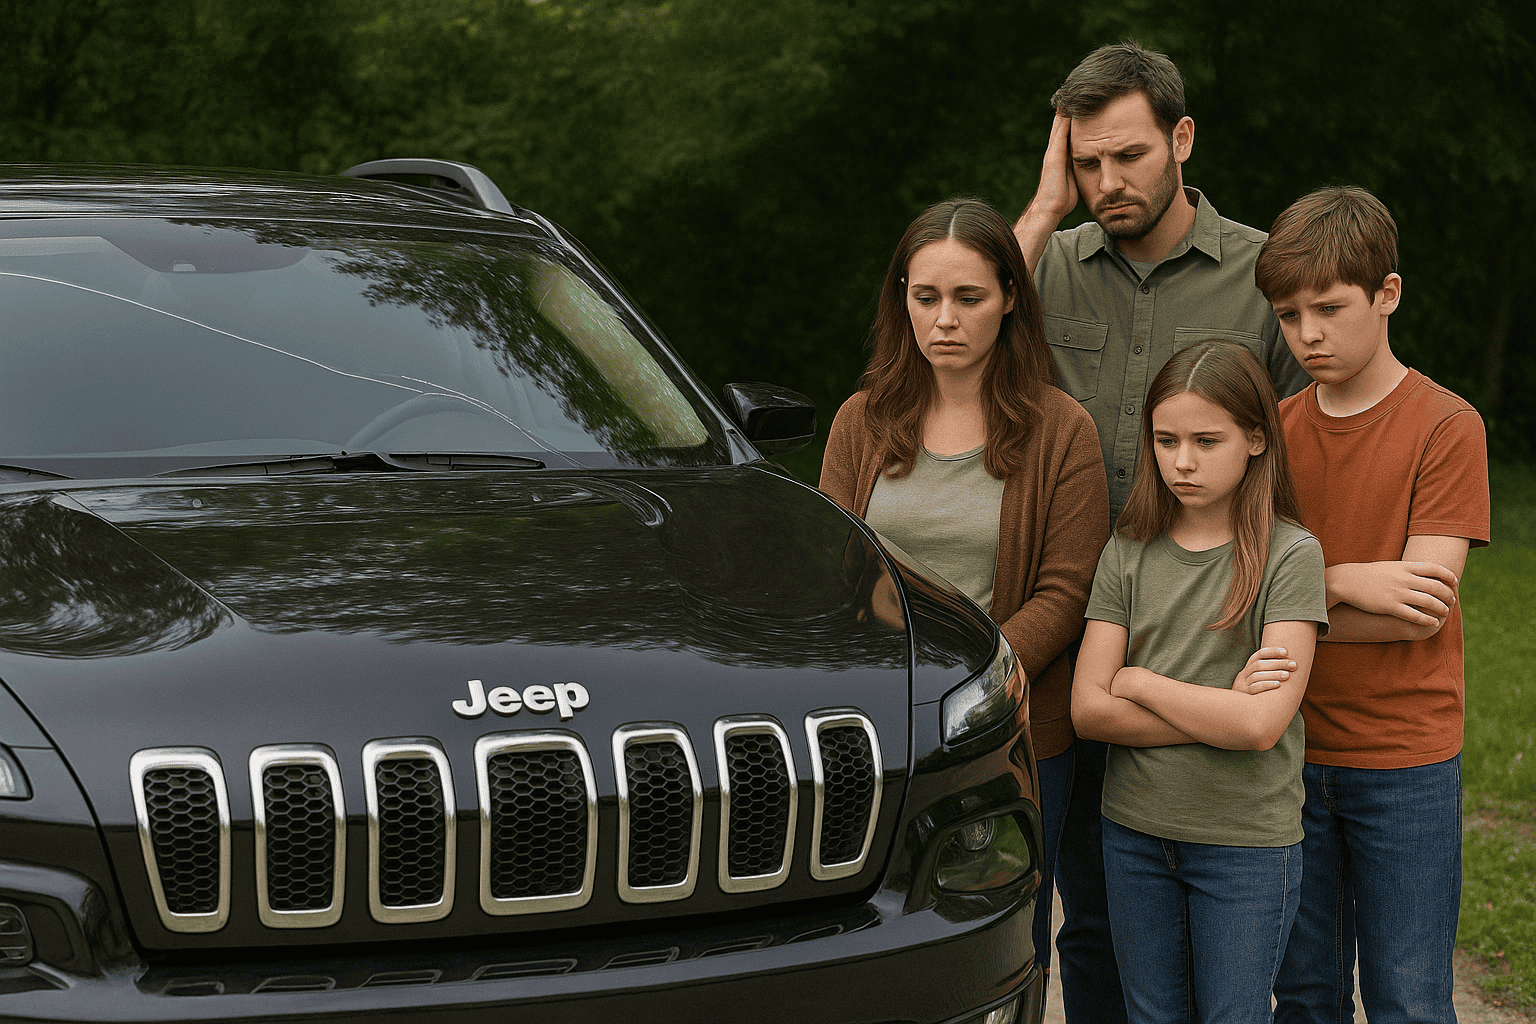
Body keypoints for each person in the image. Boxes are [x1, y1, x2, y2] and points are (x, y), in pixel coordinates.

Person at [1010, 41, 1309, 1020]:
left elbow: (1307, 453)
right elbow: (955, 334)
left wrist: (1319, 594)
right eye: (1087, 161)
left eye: (1128, 156)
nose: (1108, 182)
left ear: (1182, 138)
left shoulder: (1261, 271)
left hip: (1209, 642)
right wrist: (1044, 207)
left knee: (1224, 930)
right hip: (1071, 640)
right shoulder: (1050, 260)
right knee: (1089, 916)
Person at [818, 198, 1110, 968]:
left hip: (1010, 732)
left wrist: (967, 692)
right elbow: (838, 576)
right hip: (880, 731)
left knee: (995, 943)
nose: (944, 319)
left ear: (1011, 297)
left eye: (968, 298)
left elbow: (1067, 592)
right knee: (870, 940)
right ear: (902, 299)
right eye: (926, 297)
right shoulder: (861, 421)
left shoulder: (1061, 429)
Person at [1257, 186, 1491, 1024]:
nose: (1307, 334)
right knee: (1306, 994)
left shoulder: (1445, 425)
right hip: (1289, 750)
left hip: (1406, 760)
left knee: (1409, 995)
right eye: (1288, 316)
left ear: (1386, 294)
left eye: (1328, 308)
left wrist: (1294, 596)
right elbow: (1238, 590)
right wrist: (1352, 580)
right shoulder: (1274, 432)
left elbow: (1418, 609)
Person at [1072, 339, 1328, 1024]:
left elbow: (1258, 726)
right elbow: (1088, 711)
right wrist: (1218, 704)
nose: (1182, 461)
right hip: (1134, 832)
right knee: (1151, 1015)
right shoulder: (1128, 548)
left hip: (1245, 841)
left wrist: (1139, 681)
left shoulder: (1291, 555)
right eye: (1166, 439)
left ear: (1254, 438)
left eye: (1206, 440)